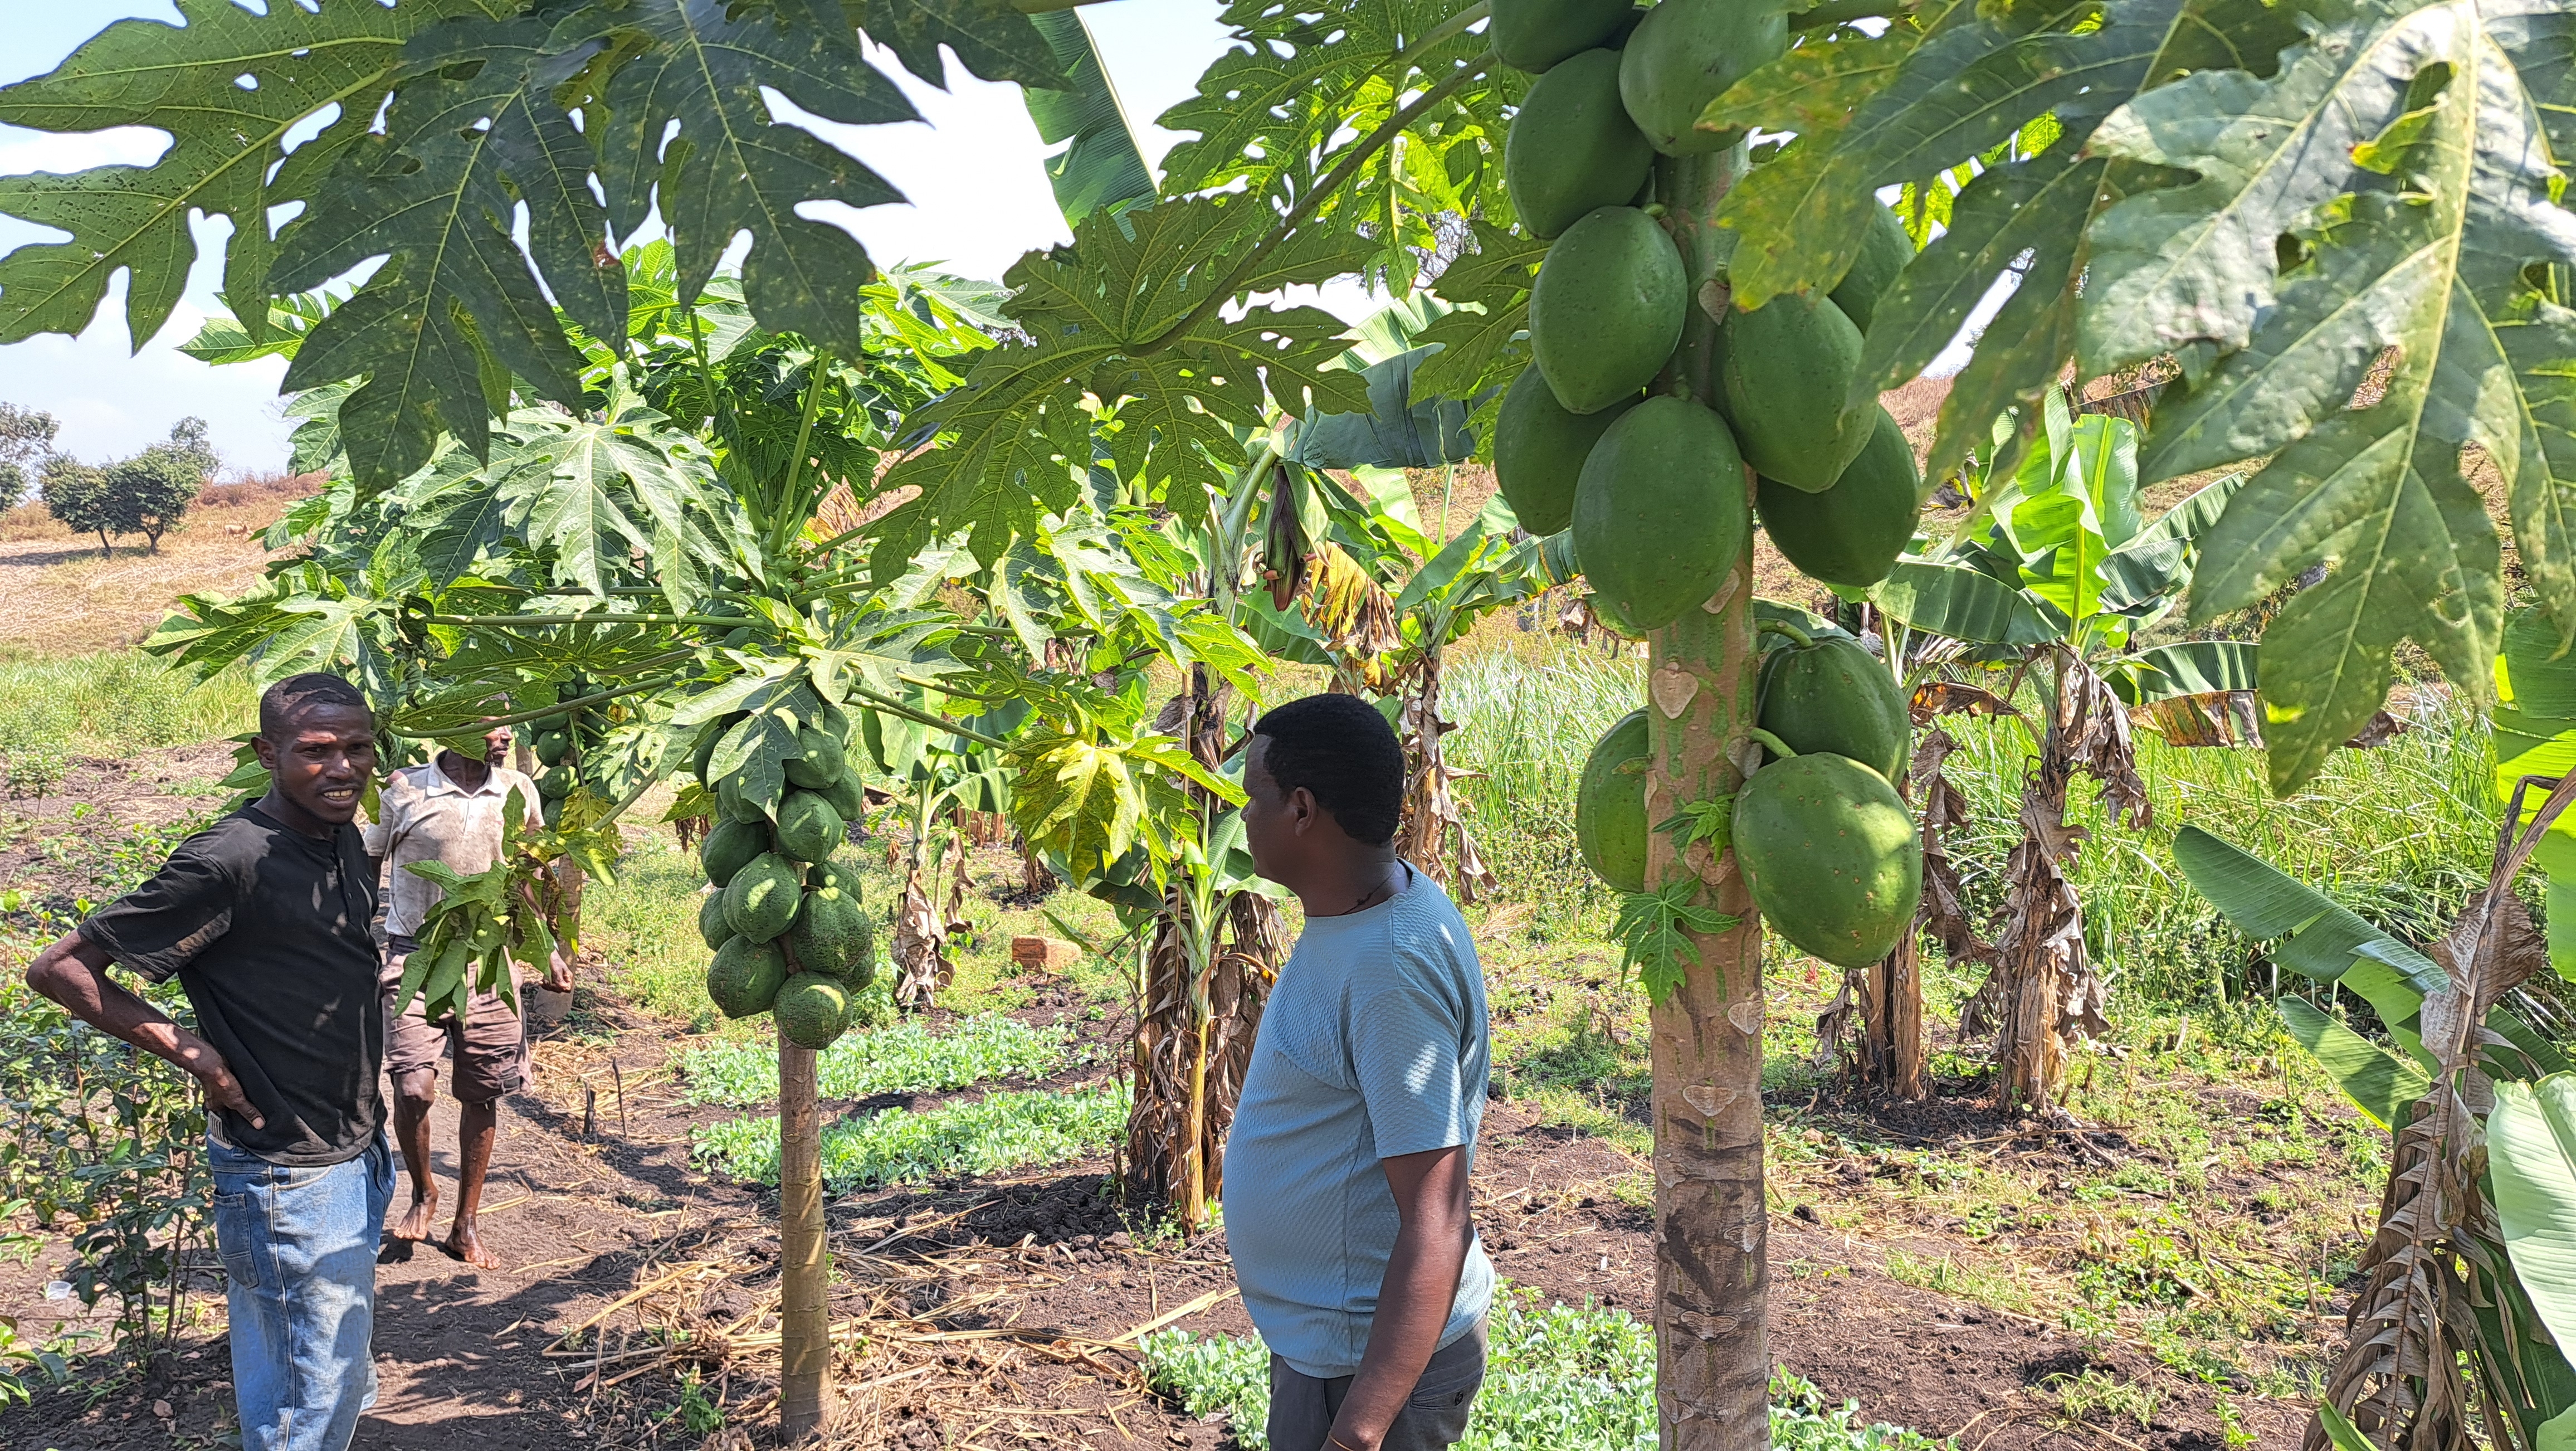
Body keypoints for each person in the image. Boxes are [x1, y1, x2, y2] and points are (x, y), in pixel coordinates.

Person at [23, 673, 392, 1451]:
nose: (343, 769)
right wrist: (198, 1057)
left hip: (354, 1146)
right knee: (307, 1410)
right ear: (267, 754)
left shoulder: (346, 841)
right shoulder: (231, 858)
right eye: (316, 751)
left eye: (358, 748)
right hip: (286, 1170)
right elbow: (62, 970)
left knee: (332, 1381)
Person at [1225, 693, 1494, 1451]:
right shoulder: (1371, 905)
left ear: (1303, 809)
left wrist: (1359, 1430)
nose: (1244, 815)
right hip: (1334, 1345)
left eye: (1255, 796)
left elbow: (1437, 1218)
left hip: (1366, 1370)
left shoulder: (1389, 969)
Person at [366, 719, 567, 1271]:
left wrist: (545, 949)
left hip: (489, 956)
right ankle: (424, 1190)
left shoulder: (518, 792)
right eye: (489, 726)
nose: (503, 737)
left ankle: (466, 1222)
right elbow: (367, 865)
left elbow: (524, 878)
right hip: (416, 954)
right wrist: (352, 938)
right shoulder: (405, 787)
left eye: (509, 728)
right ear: (452, 724)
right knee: (413, 1088)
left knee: (482, 1091)